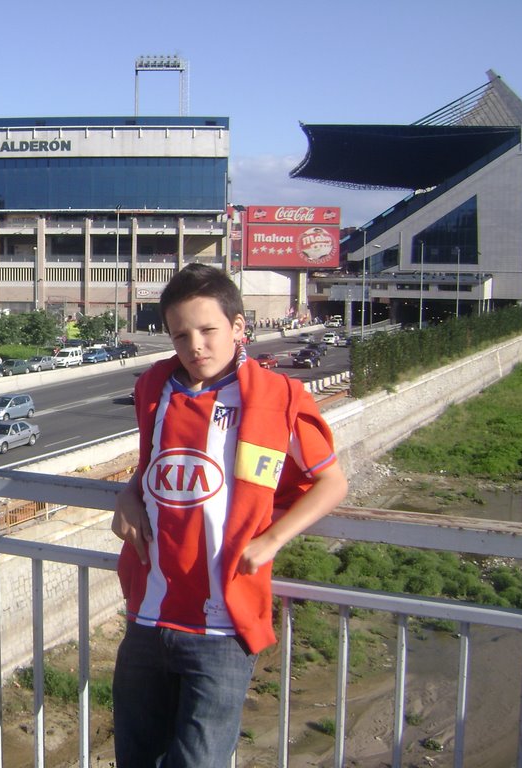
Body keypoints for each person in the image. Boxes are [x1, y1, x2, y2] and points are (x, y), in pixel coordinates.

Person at [111, 263, 348, 767]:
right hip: (148, 616)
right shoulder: (155, 388)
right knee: (135, 758)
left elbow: (332, 483)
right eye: (180, 334)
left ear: (239, 328)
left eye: (207, 330)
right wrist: (127, 495)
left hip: (221, 628)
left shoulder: (277, 399)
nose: (194, 345)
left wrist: (271, 541)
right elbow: (153, 465)